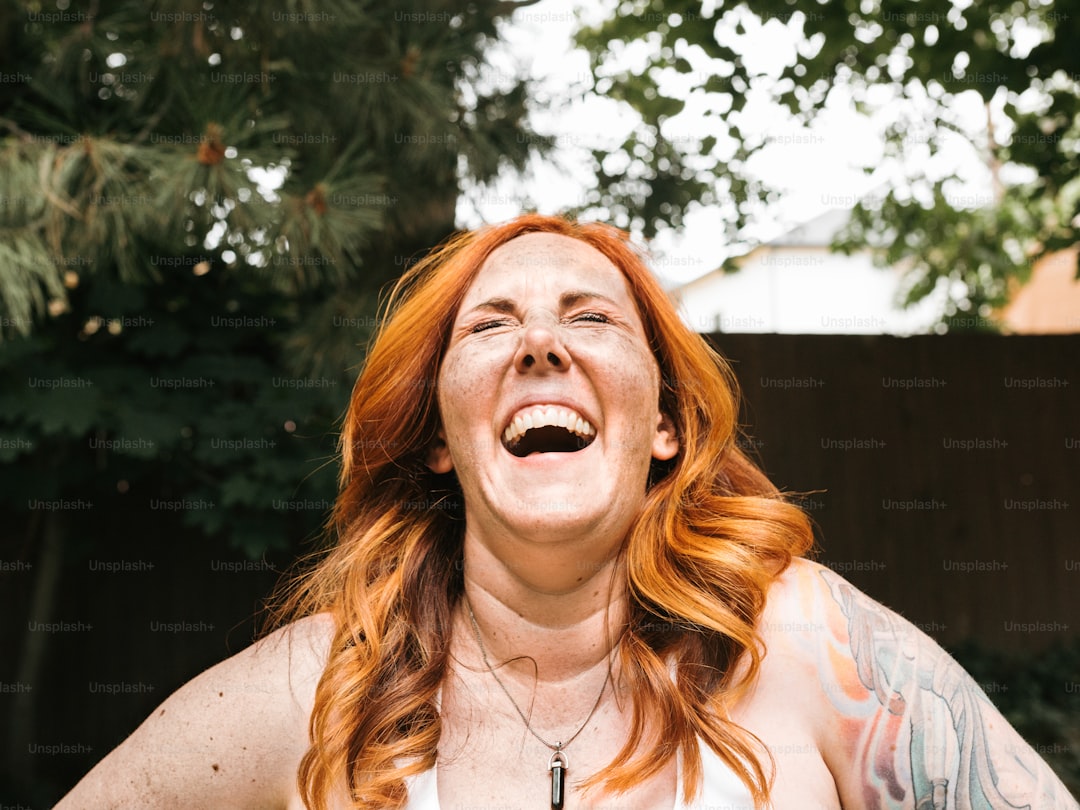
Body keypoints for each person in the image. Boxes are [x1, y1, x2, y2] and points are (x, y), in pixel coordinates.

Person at [57, 214, 1077, 809]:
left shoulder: (812, 647)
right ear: (435, 439)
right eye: (493, 324)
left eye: (590, 317)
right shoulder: (317, 690)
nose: (541, 344)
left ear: (667, 426)